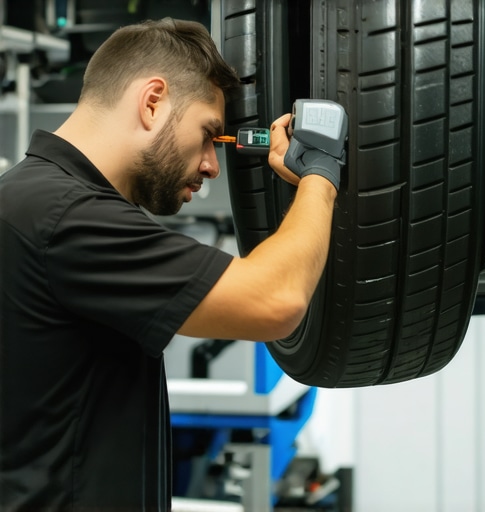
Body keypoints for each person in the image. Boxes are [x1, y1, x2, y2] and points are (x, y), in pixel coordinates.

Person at [0, 17, 340, 512]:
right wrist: (321, 177)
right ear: (152, 101)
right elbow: (275, 300)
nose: (210, 164)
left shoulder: (35, 197)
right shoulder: (65, 216)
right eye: (207, 134)